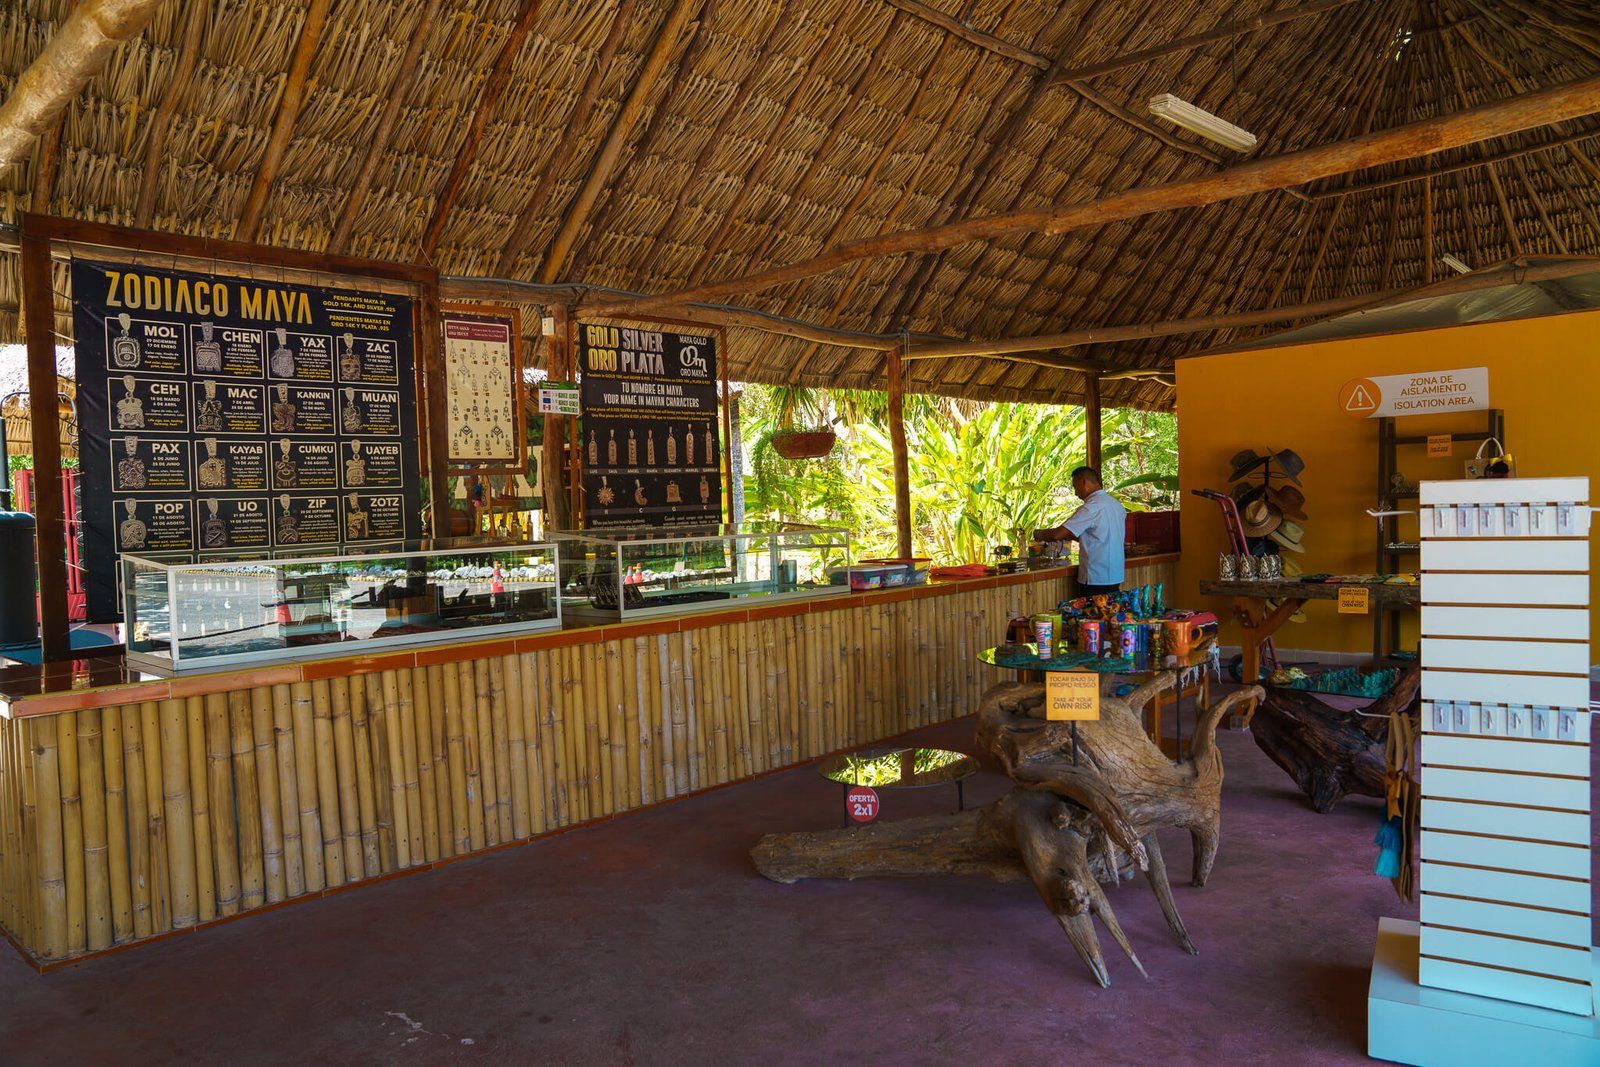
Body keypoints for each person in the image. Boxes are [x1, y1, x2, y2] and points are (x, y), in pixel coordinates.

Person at [1034, 466, 1127, 596]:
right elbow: (1100, 535)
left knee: (1091, 615)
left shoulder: (1091, 508)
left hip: (1095, 577)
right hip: (1115, 574)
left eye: (1075, 487)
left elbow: (1057, 535)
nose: (1076, 493)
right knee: (1110, 614)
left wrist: (1038, 534)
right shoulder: (1116, 505)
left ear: (1084, 482)